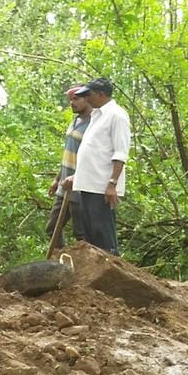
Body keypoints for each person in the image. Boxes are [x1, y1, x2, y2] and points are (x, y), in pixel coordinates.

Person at [71, 78, 130, 255]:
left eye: (89, 95)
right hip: (88, 185)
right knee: (91, 239)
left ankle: (113, 276)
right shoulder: (96, 116)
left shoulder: (117, 115)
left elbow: (120, 152)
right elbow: (95, 152)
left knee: (104, 238)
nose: (86, 99)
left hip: (101, 187)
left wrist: (112, 183)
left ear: (101, 94)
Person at [46, 84, 94, 255]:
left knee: (81, 234)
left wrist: (76, 177)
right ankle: (62, 263)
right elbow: (69, 153)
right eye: (70, 99)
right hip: (63, 185)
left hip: (79, 185)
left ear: (87, 98)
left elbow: (91, 157)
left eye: (76, 99)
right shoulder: (74, 121)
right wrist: (57, 179)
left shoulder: (93, 125)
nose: (72, 103)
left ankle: (84, 269)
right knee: (52, 228)